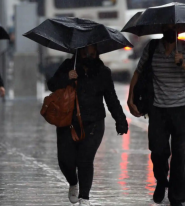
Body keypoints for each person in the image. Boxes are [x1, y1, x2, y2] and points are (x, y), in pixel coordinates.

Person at [47, 45, 128, 206]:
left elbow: (111, 98)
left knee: (85, 159)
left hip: (94, 123)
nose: (88, 55)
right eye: (85, 52)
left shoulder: (103, 72)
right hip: (67, 122)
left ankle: (85, 197)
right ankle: (73, 182)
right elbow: (51, 85)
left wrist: (120, 120)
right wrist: (67, 77)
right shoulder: (68, 66)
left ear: (97, 52)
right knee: (65, 160)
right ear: (78, 52)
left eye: (92, 52)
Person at [127, 24, 185, 206]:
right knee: (158, 151)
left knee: (180, 153)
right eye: (168, 28)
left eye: (174, 28)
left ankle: (177, 198)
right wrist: (130, 99)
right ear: (163, 30)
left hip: (182, 108)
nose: (171, 31)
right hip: (157, 109)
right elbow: (138, 72)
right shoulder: (152, 47)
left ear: (178, 31)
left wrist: (183, 64)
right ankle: (162, 181)